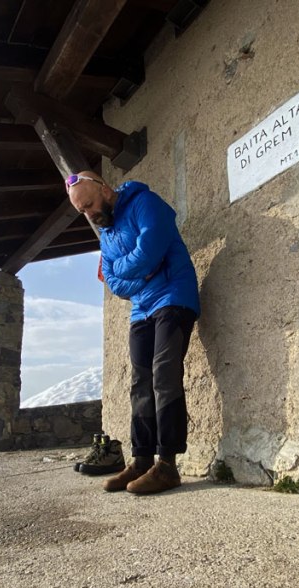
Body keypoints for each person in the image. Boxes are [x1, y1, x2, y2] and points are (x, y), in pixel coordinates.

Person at [66, 171, 201, 495]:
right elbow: (113, 282)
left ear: (104, 189)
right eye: (82, 211)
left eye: (89, 205)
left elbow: (152, 249)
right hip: (142, 308)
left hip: (173, 296)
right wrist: (140, 273)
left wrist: (133, 268)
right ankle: (141, 460)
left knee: (163, 374)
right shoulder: (107, 236)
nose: (90, 214)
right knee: (140, 383)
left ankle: (167, 465)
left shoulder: (146, 203)